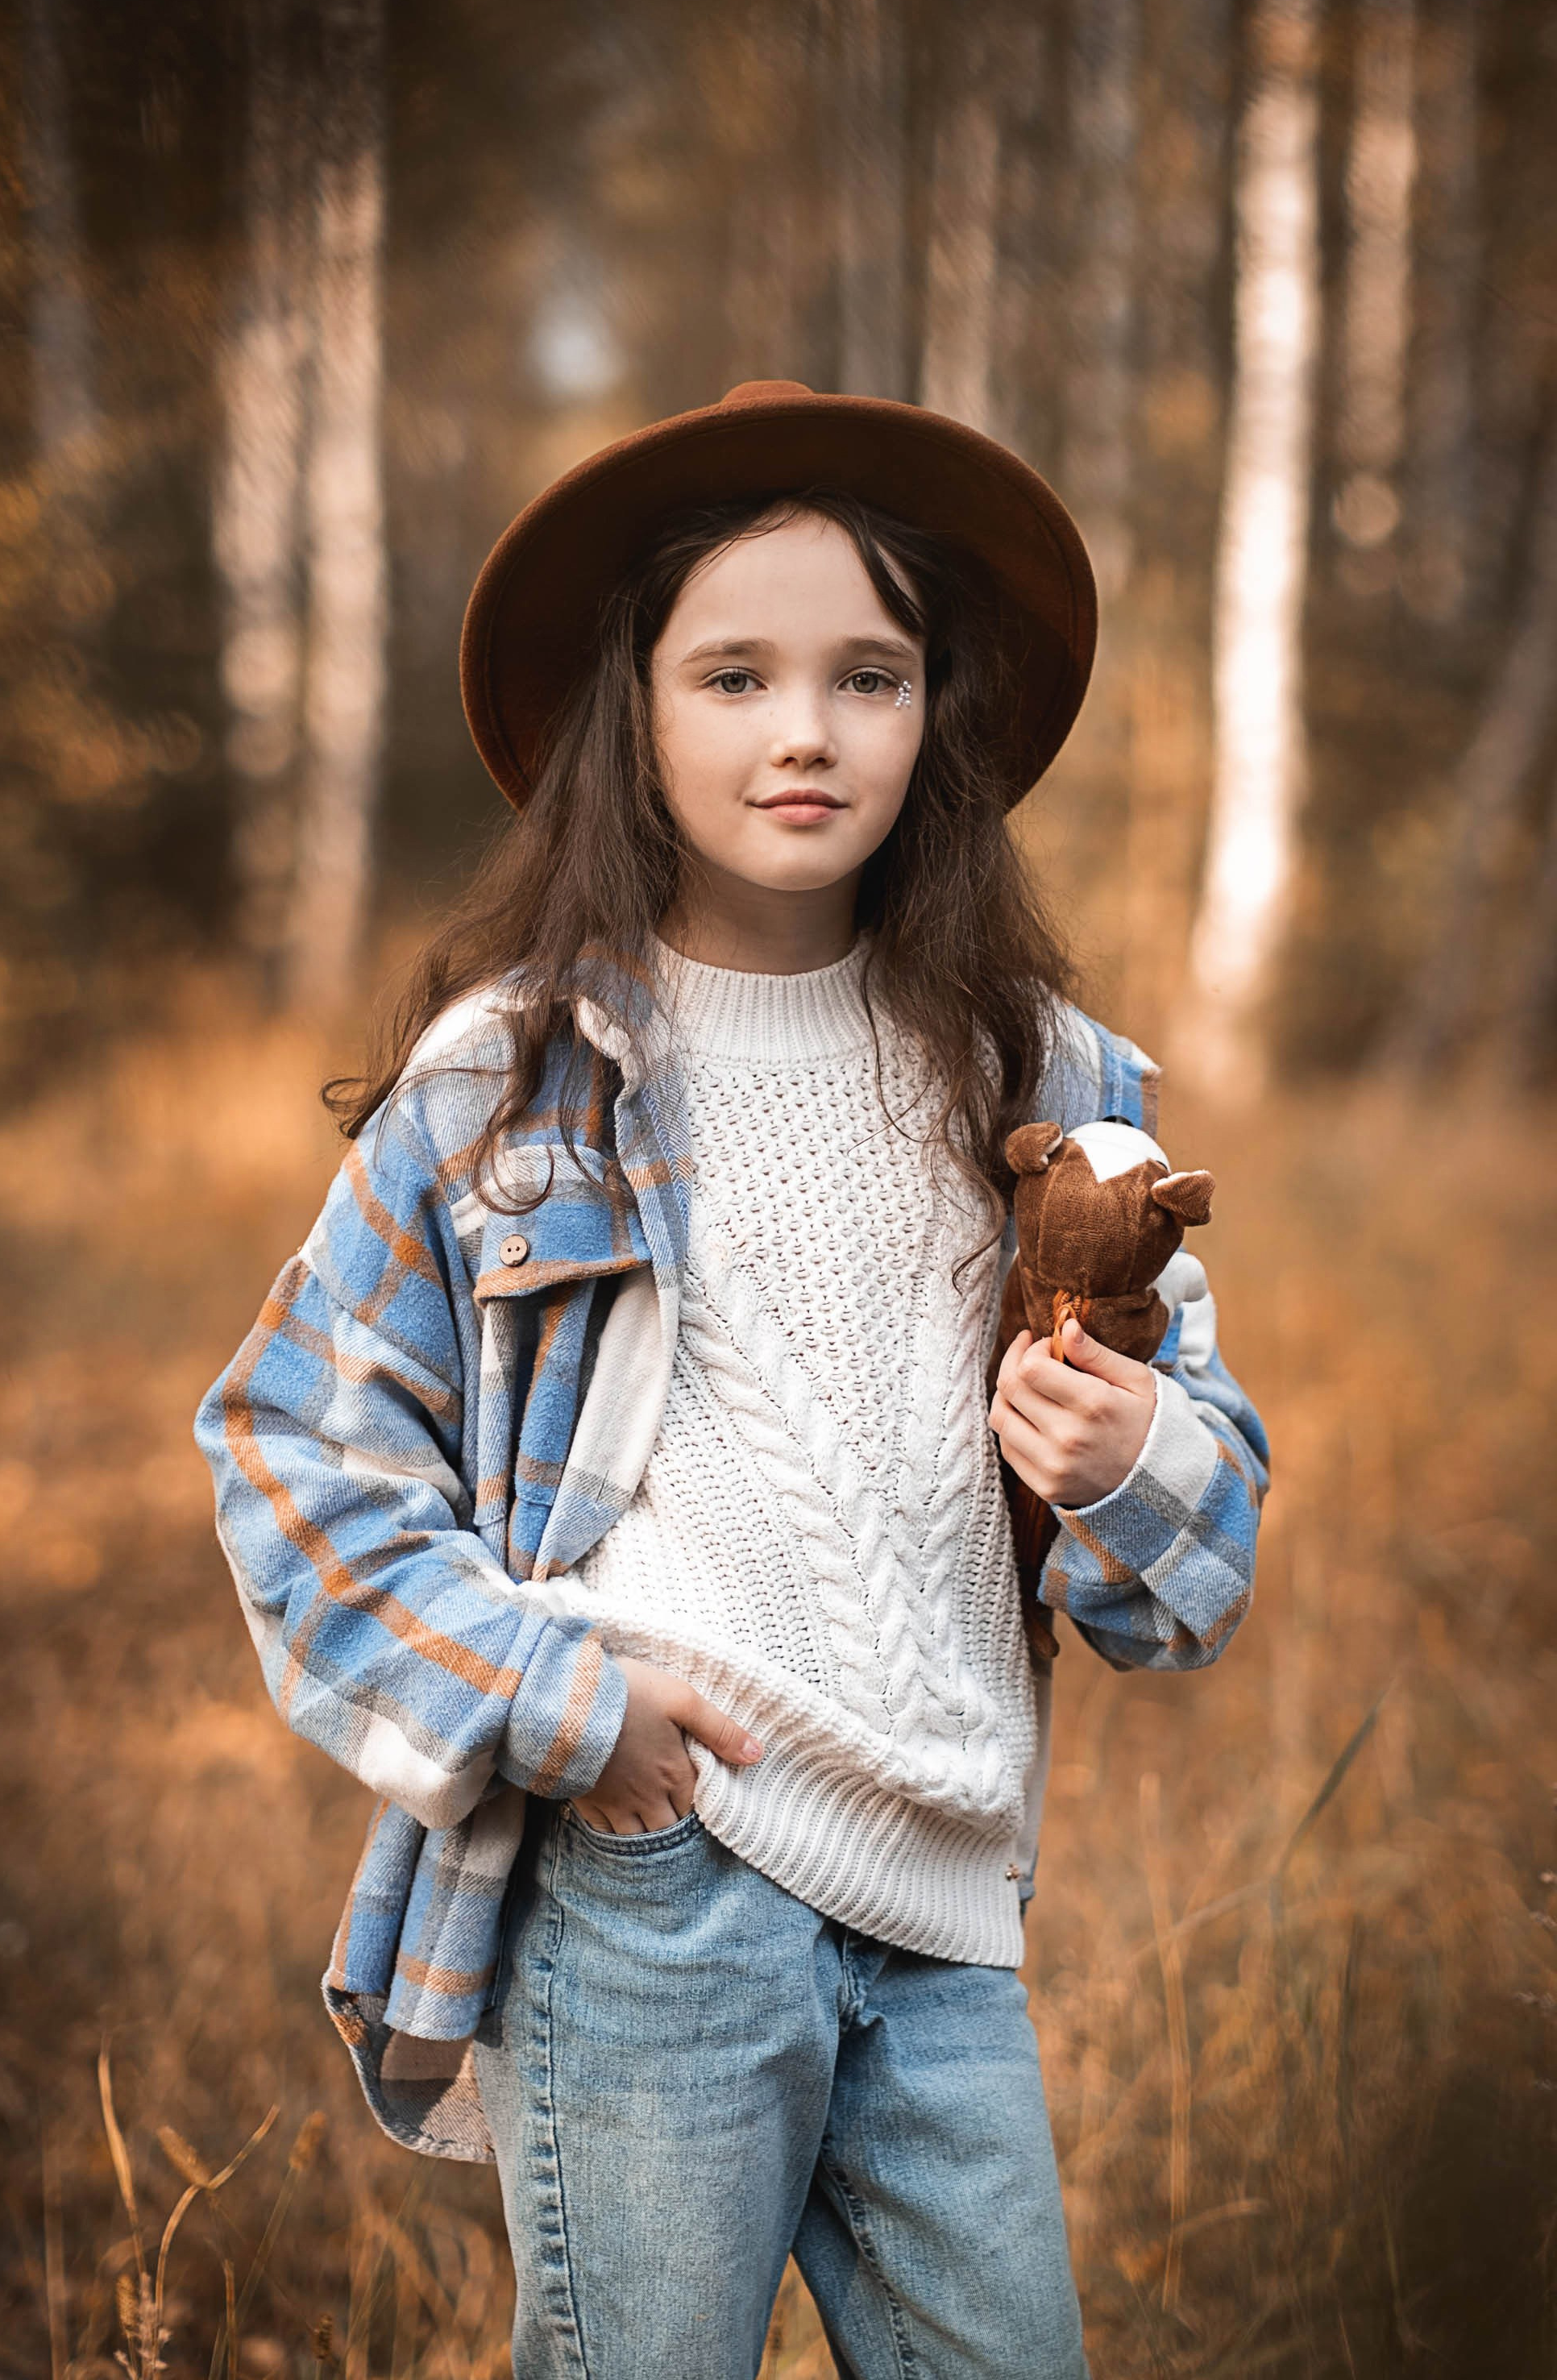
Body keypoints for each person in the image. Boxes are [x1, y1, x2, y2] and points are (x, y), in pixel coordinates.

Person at [197, 380, 1268, 2380]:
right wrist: (559, 1703)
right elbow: (289, 1444)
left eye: (868, 674)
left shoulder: (1049, 1082)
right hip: (657, 1889)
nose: (805, 731)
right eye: (735, 675)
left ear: (932, 712)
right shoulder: (505, 1086)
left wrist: (1134, 1462)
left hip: (951, 1907)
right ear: (636, 714)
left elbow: (1194, 1567)